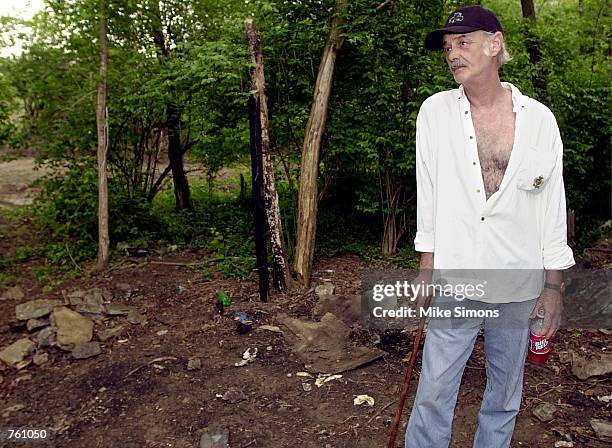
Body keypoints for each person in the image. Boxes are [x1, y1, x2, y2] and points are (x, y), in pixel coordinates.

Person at [405, 5, 575, 448]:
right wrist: (427, 267)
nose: (452, 54)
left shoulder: (540, 120)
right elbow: (429, 194)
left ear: (494, 44)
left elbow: (552, 204)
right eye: (447, 47)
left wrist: (553, 286)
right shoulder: (434, 113)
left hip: (519, 281)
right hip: (456, 277)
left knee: (504, 393)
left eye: (463, 42)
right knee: (434, 390)